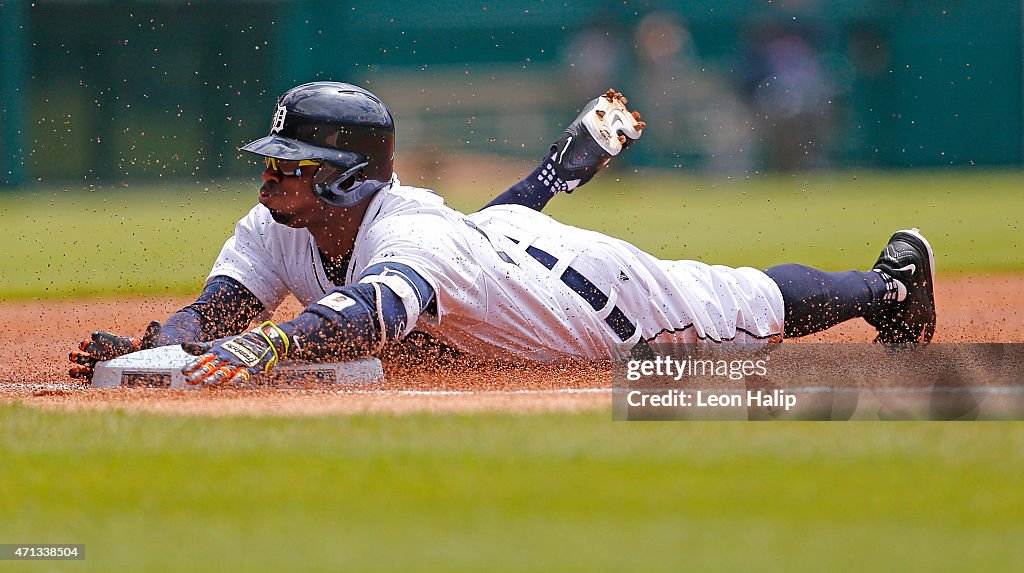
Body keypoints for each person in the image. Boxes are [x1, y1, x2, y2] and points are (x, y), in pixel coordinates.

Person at [69, 82, 936, 386]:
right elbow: (217, 308)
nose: (270, 175)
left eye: (290, 162)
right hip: (492, 245)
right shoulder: (277, 223)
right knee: (480, 249)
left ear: (343, 173)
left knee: (743, 304)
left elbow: (370, 313)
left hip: (603, 303)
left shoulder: (407, 232)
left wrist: (269, 345)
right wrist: (162, 347)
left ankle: (891, 283)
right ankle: (559, 172)